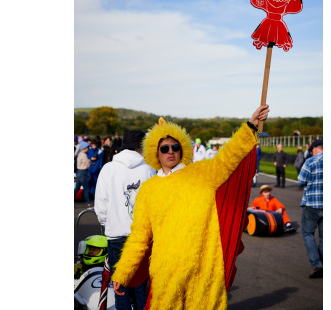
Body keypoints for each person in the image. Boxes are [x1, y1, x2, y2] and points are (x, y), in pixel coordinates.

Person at [111, 105, 269, 310]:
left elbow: (228, 157)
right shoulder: (148, 189)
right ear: (154, 152)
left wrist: (249, 126)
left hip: (205, 268)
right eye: (164, 148)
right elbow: (139, 236)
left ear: (183, 149)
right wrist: (123, 272)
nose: (170, 152)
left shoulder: (203, 173)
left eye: (175, 147)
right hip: (166, 271)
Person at [94, 130, 156, 310]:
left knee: (120, 288)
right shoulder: (148, 169)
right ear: (140, 146)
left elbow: (101, 205)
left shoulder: (109, 168)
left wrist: (110, 223)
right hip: (142, 236)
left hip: (117, 236)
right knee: (140, 288)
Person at [297, 139, 323, 279]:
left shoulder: (310, 162)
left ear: (314, 149)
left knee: (308, 234)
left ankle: (316, 264)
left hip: (312, 204)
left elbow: (301, 181)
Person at [74, 141, 92, 207]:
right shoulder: (84, 155)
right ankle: (88, 202)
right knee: (86, 189)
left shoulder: (79, 154)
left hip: (79, 172)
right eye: (88, 148)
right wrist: (91, 161)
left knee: (76, 189)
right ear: (86, 148)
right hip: (83, 173)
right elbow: (87, 165)